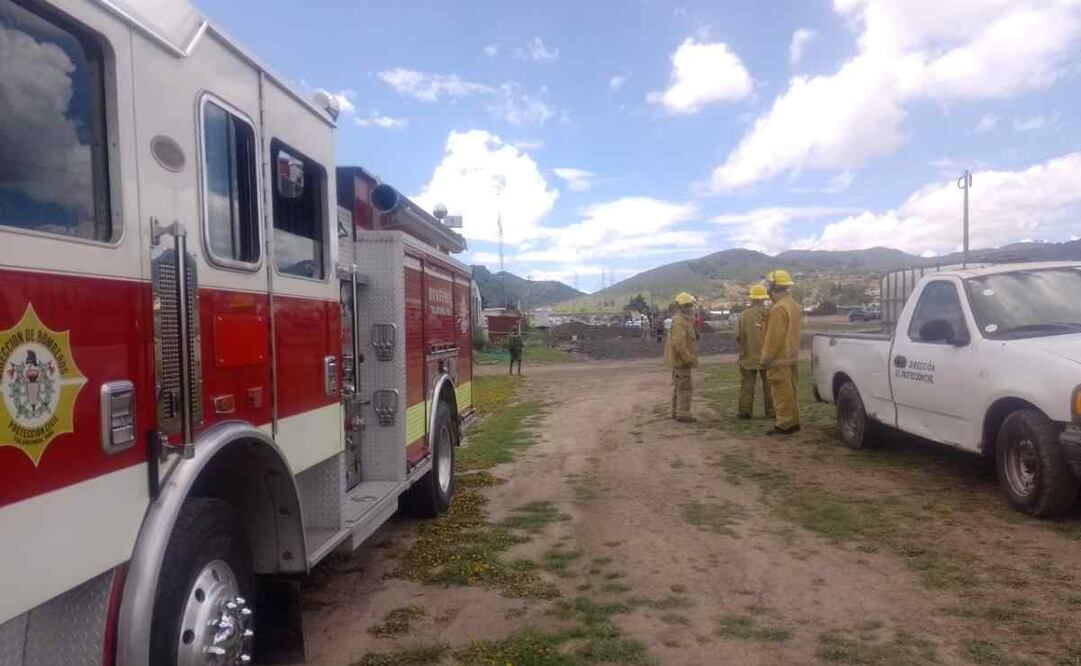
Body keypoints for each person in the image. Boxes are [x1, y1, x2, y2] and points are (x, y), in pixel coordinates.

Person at [761, 270, 802, 435]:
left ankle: (784, 424)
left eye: (769, 286)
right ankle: (793, 421)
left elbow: (773, 338)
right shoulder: (793, 305)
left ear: (773, 287)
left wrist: (765, 358)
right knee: (791, 390)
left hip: (778, 359)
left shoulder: (778, 309)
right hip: (791, 356)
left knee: (780, 392)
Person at [736, 284, 774, 420]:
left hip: (748, 356)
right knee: (770, 386)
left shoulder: (744, 315)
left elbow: (738, 336)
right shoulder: (770, 313)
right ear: (764, 298)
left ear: (751, 298)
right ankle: (771, 412)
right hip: (768, 357)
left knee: (747, 385)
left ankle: (745, 412)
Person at [665, 292, 699, 422]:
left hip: (680, 361)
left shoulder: (684, 320)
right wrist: (687, 358)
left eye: (690, 305)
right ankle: (683, 413)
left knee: (679, 387)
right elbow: (679, 343)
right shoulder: (680, 321)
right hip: (682, 361)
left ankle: (676, 412)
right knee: (685, 388)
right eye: (686, 305)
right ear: (680, 306)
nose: (689, 308)